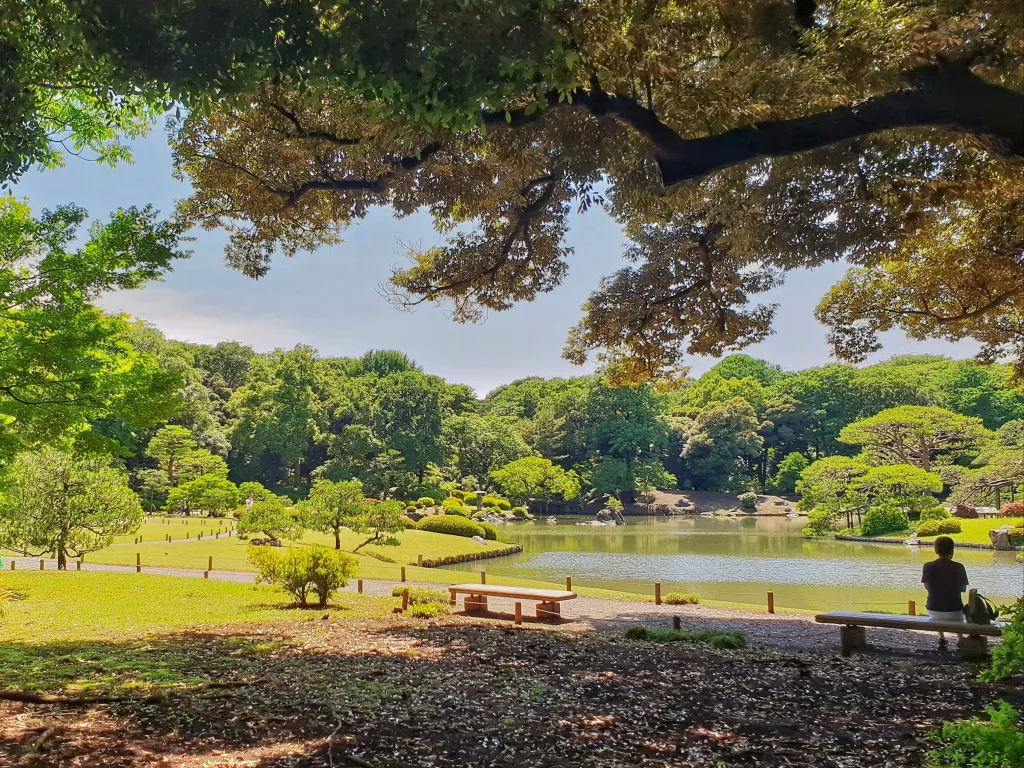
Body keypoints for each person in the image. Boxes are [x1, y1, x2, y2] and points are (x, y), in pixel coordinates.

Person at [921, 535, 969, 649]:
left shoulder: (927, 566)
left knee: (938, 613)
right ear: (952, 550)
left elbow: (926, 587)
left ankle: (941, 638)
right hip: (954, 610)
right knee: (958, 616)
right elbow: (963, 589)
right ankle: (960, 639)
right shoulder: (959, 567)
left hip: (933, 609)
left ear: (936, 550)